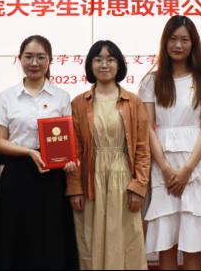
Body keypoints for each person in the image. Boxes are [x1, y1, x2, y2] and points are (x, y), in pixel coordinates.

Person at [0, 35, 79, 270]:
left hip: (52, 176)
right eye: (28, 57)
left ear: (50, 60)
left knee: (50, 238)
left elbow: (66, 141)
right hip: (17, 175)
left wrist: (69, 161)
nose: (34, 63)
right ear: (20, 59)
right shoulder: (7, 96)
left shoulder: (62, 97)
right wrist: (29, 152)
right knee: (15, 237)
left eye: (40, 57)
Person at [139, 15, 201, 270]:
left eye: (184, 40)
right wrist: (165, 167)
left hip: (196, 167)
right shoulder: (151, 81)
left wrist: (187, 170)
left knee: (192, 243)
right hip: (162, 164)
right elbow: (147, 127)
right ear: (165, 42)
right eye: (173, 39)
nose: (178, 45)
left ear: (193, 43)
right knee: (166, 242)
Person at [67, 40, 150, 270]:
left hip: (123, 179)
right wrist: (75, 188)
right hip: (90, 178)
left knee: (125, 240)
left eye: (110, 59)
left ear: (119, 64)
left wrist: (139, 186)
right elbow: (75, 150)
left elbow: (143, 148)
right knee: (89, 240)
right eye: (98, 59)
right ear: (90, 65)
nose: (104, 64)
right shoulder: (79, 103)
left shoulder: (133, 102)